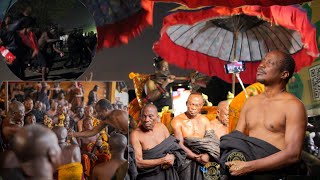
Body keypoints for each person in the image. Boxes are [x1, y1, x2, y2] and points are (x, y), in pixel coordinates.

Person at [220, 50, 308, 177]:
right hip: (246, 173)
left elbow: (293, 154)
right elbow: (236, 141)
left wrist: (249, 166)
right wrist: (233, 160)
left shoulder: (293, 106)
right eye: (262, 61)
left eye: (270, 63)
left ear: (284, 74)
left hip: (275, 174)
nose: (261, 65)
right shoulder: (250, 102)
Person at [171, 92, 220, 180]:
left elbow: (212, 141)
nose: (193, 108)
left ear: (201, 106)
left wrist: (208, 155)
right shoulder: (177, 121)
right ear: (186, 104)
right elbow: (179, 144)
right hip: (186, 160)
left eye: (197, 105)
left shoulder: (204, 120)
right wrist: (195, 157)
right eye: (191, 104)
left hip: (204, 159)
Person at [130, 104, 186, 180]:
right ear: (140, 117)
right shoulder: (135, 135)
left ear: (157, 117)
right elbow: (138, 163)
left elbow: (175, 148)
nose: (146, 120)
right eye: (144, 116)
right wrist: (162, 161)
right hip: (149, 176)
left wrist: (173, 157)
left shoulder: (162, 127)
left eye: (150, 116)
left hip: (168, 174)